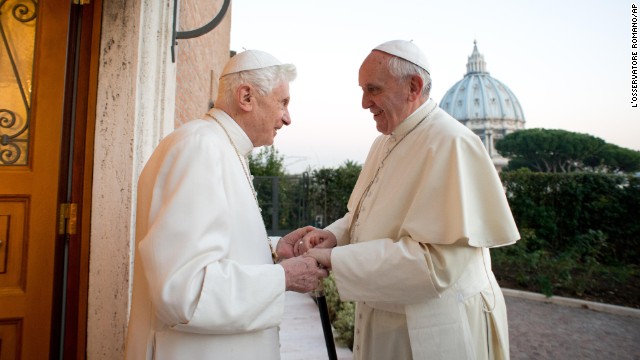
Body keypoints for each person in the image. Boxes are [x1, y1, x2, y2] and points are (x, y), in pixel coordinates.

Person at [281, 40, 520, 360]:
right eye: (362, 89)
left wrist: (334, 260)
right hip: (387, 318)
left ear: (413, 86)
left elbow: (435, 265)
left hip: (432, 329)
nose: (364, 102)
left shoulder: (451, 143)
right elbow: (365, 213)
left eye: (373, 89)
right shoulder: (385, 141)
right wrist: (335, 236)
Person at [124, 50, 328, 360]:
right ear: (246, 96)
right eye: (283, 102)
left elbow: (215, 251)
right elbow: (184, 292)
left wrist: (273, 255)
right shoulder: (202, 147)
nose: (287, 118)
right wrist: (283, 277)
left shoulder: (220, 147)